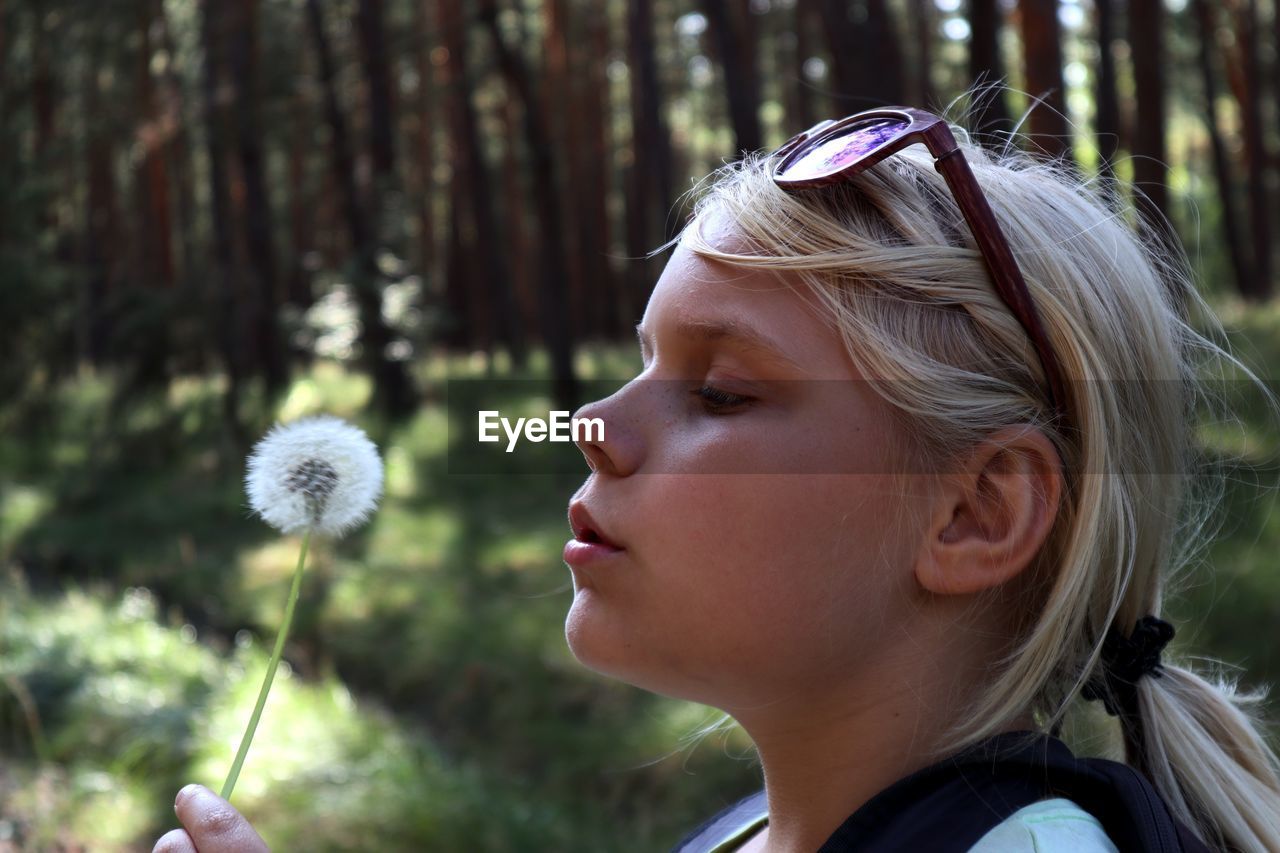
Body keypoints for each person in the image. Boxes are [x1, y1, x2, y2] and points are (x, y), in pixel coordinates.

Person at [154, 96, 1280, 852]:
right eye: (640, 363)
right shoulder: (752, 833)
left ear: (975, 511)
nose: (591, 427)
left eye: (721, 392)